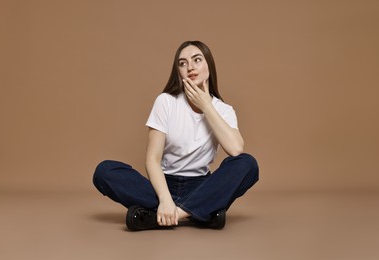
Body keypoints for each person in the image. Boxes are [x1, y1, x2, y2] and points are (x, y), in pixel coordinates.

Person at [93, 40, 259, 231]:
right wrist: (164, 199)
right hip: (163, 185)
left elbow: (236, 149)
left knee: (248, 164)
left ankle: (170, 215)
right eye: (182, 63)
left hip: (202, 186)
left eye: (197, 60)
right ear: (178, 72)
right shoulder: (166, 102)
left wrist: (206, 106)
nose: (190, 67)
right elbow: (152, 159)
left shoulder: (224, 110)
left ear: (209, 66)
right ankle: (201, 213)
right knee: (104, 171)